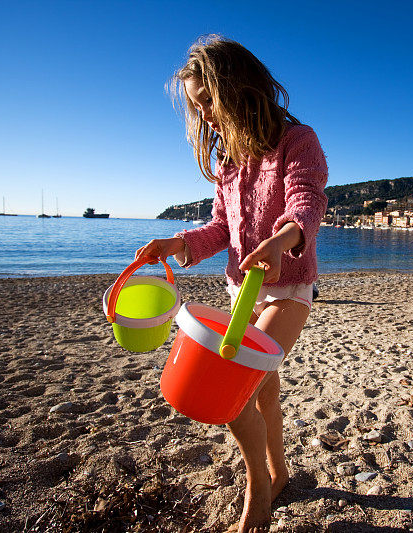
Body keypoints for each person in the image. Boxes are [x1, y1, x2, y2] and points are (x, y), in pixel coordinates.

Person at [135, 35, 328, 532]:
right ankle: (280, 472)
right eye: (196, 108)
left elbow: (306, 204)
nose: (205, 117)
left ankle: (259, 492)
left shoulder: (297, 140)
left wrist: (282, 242)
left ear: (237, 88)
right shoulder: (228, 162)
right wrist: (175, 245)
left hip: (287, 289)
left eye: (208, 102)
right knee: (264, 393)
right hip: (240, 292)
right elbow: (220, 228)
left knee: (235, 389)